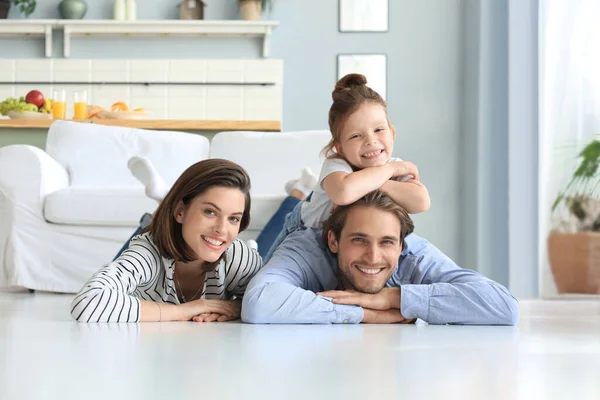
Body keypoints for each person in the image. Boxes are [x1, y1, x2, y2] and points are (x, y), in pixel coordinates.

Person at [241, 190, 520, 326]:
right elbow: (259, 304)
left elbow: (505, 307)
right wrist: (365, 314)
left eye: (386, 242)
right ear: (333, 240)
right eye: (359, 240)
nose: (373, 257)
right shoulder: (305, 246)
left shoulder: (415, 254)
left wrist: (392, 299)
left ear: (401, 245)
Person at [261, 73, 431, 263]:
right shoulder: (336, 164)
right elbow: (344, 192)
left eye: (379, 130)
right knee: (263, 268)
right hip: (306, 233)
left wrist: (377, 181)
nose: (371, 141)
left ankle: (302, 189)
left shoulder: (393, 163)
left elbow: (421, 201)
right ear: (339, 147)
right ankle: (300, 191)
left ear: (392, 133)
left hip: (346, 245)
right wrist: (390, 172)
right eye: (356, 136)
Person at [70, 159, 262, 323]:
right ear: (180, 211)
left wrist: (235, 307)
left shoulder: (237, 254)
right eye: (210, 212)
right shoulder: (148, 253)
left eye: (234, 219)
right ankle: (161, 208)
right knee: (151, 230)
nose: (222, 229)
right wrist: (188, 309)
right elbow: (88, 301)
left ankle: (162, 203)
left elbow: (270, 302)